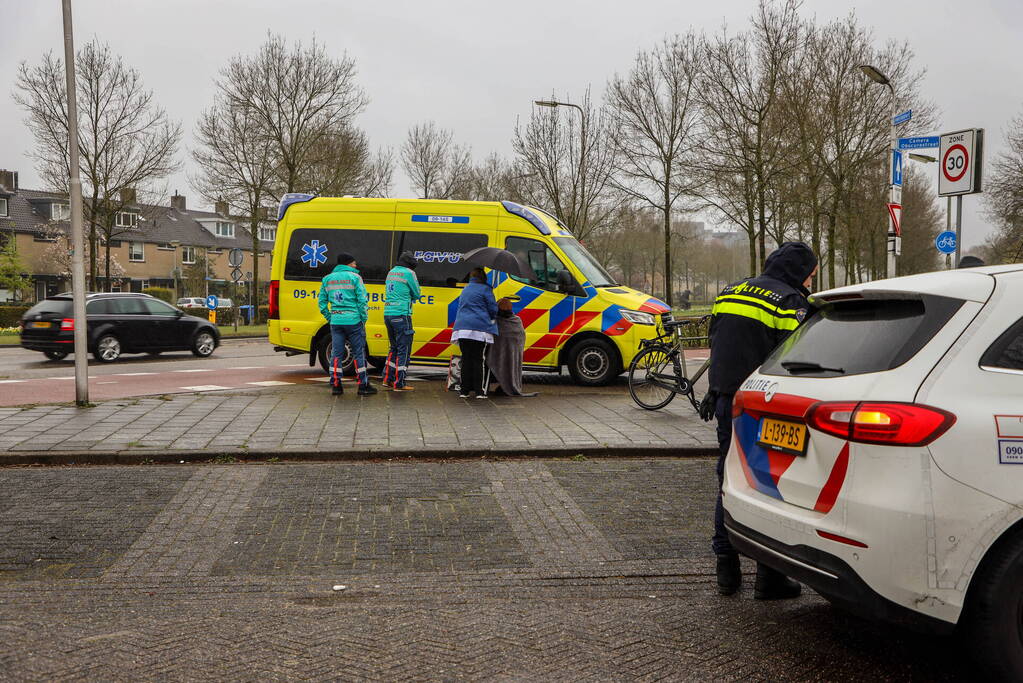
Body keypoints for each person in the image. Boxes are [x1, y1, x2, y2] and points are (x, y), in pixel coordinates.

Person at [704, 241, 817, 599]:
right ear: (799, 272)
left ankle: (726, 569)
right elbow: (795, 357)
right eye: (810, 274)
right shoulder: (788, 301)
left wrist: (717, 388)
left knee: (729, 479)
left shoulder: (730, 291)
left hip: (728, 399)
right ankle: (769, 577)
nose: (811, 281)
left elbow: (718, 342)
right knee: (769, 487)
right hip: (767, 407)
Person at [317, 252, 377, 397]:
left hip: (336, 321)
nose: (356, 266)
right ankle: (363, 385)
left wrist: (330, 317)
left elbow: (322, 303)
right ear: (348, 264)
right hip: (354, 321)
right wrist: (363, 318)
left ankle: (336, 385)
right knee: (358, 352)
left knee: (336, 353)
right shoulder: (355, 278)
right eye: (354, 263)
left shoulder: (327, 279)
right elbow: (362, 300)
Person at [451, 267, 497, 399]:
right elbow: (493, 309)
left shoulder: (466, 289)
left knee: (466, 359)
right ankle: (479, 391)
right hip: (479, 329)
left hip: (463, 329)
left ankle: (464, 391)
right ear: (483, 277)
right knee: (478, 360)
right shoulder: (486, 289)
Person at [382, 251, 421, 392]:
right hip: (402, 314)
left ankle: (387, 379)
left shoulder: (391, 272)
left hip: (388, 313)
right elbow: (417, 293)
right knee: (404, 349)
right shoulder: (409, 273)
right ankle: (400, 383)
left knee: (394, 347)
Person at [487, 297, 537, 397]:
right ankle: (507, 385)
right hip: (514, 354)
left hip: (497, 355)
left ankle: (485, 385)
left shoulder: (496, 321)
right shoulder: (517, 320)